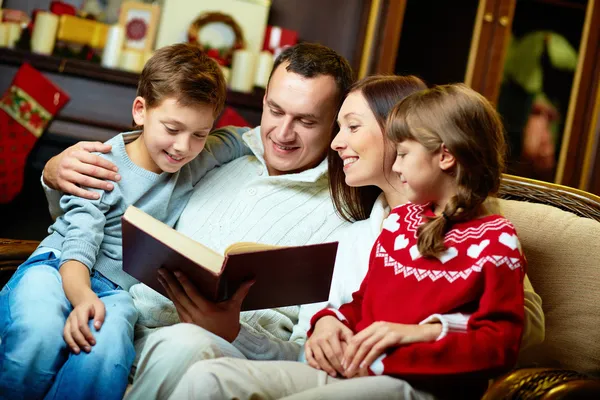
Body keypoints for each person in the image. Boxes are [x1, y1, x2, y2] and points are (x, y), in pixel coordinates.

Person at [41, 49, 544, 398]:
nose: (281, 133)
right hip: (123, 304)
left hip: (225, 344)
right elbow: (117, 200)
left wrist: (239, 330)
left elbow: (511, 319)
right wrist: (55, 173)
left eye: (308, 122)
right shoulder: (215, 148)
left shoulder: (370, 210)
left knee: (185, 348)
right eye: (273, 110)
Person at [168, 82, 528, 400]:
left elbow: (503, 338)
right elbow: (359, 304)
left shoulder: (493, 237)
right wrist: (328, 321)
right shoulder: (395, 226)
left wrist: (420, 333)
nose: (337, 143)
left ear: (442, 155)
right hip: (352, 371)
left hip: (410, 382)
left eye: (403, 153)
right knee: (208, 378)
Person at [0, 43, 250, 400]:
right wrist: (83, 296)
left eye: (199, 133)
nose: (183, 146)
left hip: (119, 293)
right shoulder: (99, 166)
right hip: (60, 268)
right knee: (39, 332)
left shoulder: (198, 157)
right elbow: (78, 246)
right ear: (140, 111)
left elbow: (243, 139)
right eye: (173, 128)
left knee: (107, 350)